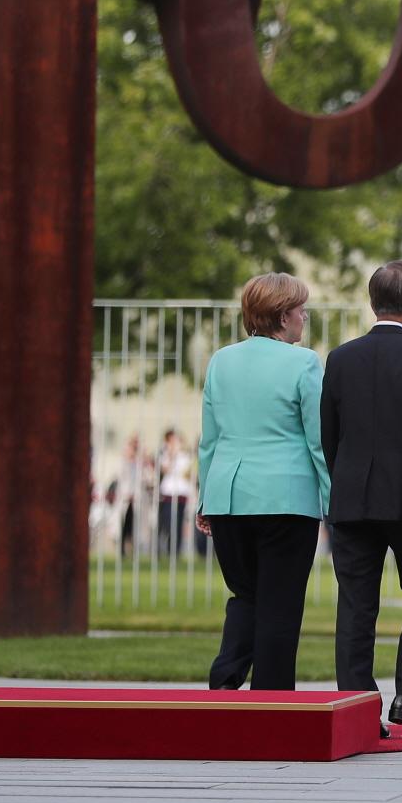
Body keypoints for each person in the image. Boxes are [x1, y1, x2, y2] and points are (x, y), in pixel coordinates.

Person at [322, 261, 402, 737]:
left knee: (356, 603)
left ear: (371, 303)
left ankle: (357, 708)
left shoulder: (339, 359)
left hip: (352, 501)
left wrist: (343, 486)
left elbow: (328, 436)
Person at [195, 273, 330, 693]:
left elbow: (210, 438)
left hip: (228, 497)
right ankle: (272, 702)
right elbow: (318, 440)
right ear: (283, 315)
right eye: (300, 309)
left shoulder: (221, 360)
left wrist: (205, 498)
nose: (304, 317)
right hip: (285, 499)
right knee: (280, 606)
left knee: (246, 596)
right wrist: (332, 499)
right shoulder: (304, 362)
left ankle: (224, 681)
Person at [157, 429, 195, 558]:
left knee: (178, 523)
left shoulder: (186, 455)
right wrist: (172, 455)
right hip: (168, 494)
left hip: (181, 493)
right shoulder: (165, 454)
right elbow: (164, 469)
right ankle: (162, 548)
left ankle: (175, 551)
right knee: (166, 522)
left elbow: (188, 473)